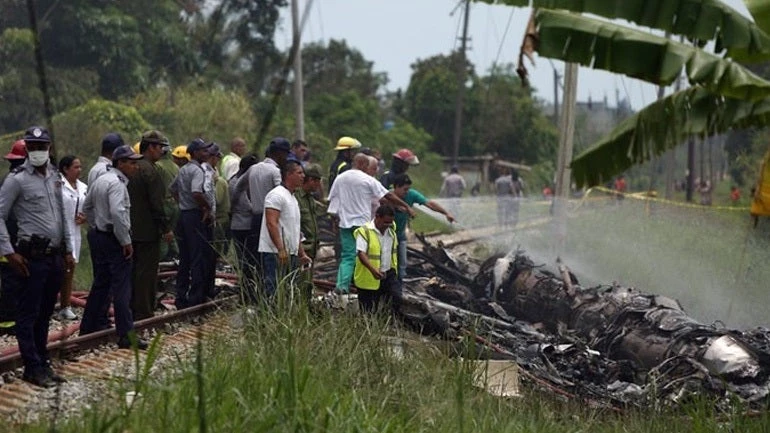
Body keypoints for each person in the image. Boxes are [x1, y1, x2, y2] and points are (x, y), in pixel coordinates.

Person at [0, 126, 75, 387]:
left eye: (41, 147)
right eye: (32, 147)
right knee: (28, 314)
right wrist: (8, 252)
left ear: (50, 149)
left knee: (45, 314)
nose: (37, 151)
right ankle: (31, 366)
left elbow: (61, 215)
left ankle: (42, 362)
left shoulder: (54, 177)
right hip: (31, 256)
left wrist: (67, 249)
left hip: (54, 257)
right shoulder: (17, 180)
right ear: (27, 150)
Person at [81, 145, 147, 350]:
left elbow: (87, 208)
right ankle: (126, 334)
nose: (135, 167)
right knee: (121, 287)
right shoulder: (117, 184)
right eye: (132, 163)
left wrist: (96, 224)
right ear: (120, 163)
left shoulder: (101, 179)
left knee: (101, 283)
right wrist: (125, 240)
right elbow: (118, 213)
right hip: (114, 238)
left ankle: (88, 327)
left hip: (99, 235)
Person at [327, 153, 414, 294]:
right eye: (367, 165)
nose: (368, 168)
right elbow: (388, 195)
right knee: (368, 255)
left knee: (348, 257)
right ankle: (369, 286)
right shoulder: (367, 180)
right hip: (363, 225)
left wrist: (334, 220)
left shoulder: (340, 178)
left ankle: (342, 286)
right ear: (361, 164)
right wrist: (407, 206)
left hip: (345, 224)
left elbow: (333, 202)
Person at [127, 131, 173, 321]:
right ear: (151, 147)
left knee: (133, 272)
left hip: (131, 231)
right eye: (160, 147)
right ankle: (144, 312)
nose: (162, 152)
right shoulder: (151, 171)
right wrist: (166, 228)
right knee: (147, 273)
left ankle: (130, 308)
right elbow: (157, 204)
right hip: (147, 232)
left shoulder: (132, 167)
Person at [234, 137, 290, 284]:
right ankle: (269, 293)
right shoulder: (275, 172)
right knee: (270, 257)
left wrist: (248, 205)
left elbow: (238, 188)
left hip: (255, 219)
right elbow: (282, 195)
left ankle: (252, 291)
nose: (286, 158)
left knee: (253, 258)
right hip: (271, 219)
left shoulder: (253, 168)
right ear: (279, 154)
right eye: (285, 154)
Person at [258, 161, 312, 300]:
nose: (303, 176)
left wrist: (301, 253)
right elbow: (271, 223)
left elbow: (294, 229)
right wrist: (280, 249)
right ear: (288, 174)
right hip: (275, 252)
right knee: (274, 288)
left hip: (290, 253)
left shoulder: (293, 198)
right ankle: (270, 317)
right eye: (299, 173)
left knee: (288, 289)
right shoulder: (276, 195)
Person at [171, 138, 214, 309]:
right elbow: (197, 192)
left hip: (183, 216)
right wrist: (206, 207)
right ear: (195, 153)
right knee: (197, 257)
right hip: (195, 217)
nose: (207, 153)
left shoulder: (183, 170)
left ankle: (180, 297)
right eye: (203, 150)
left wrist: (182, 203)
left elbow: (172, 189)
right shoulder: (197, 171)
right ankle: (196, 298)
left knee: (185, 258)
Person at [391, 174, 455, 284]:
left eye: (408, 189)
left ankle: (400, 283)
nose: (406, 192)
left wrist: (446, 213)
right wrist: (398, 208)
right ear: (396, 187)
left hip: (400, 234)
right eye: (404, 189)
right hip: (386, 234)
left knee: (402, 261)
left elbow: (429, 204)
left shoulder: (411, 195)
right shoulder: (387, 195)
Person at [0, 140, 27, 327]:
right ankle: (8, 321)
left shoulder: (7, 180)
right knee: (11, 280)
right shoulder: (15, 183)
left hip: (8, 239)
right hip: (10, 239)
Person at [354, 205, 399, 314]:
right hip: (369, 277)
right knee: (367, 309)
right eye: (385, 222)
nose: (387, 225)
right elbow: (361, 253)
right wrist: (373, 270)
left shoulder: (391, 231)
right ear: (377, 217)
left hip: (389, 274)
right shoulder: (364, 232)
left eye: (390, 222)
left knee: (395, 300)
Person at [57, 155, 87, 321]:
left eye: (80, 167)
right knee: (59, 270)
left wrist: (86, 217)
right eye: (75, 167)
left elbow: (89, 206)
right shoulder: (58, 186)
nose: (79, 170)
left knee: (70, 270)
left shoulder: (83, 187)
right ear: (65, 169)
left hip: (75, 233)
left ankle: (65, 306)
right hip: (60, 233)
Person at [229, 154, 259, 302]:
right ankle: (246, 294)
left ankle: (248, 292)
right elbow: (246, 205)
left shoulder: (239, 181)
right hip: (242, 225)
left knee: (248, 261)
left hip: (242, 224)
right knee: (246, 261)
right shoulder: (236, 183)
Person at [295, 164, 324, 299]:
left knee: (307, 284)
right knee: (300, 283)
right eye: (318, 182)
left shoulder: (310, 199)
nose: (319, 186)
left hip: (311, 248)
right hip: (302, 248)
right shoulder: (296, 198)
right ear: (311, 180)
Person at [155, 142, 180, 262]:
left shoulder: (157, 166)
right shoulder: (175, 166)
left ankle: (161, 260)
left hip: (164, 204)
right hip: (175, 204)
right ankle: (176, 254)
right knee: (171, 232)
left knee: (163, 235)